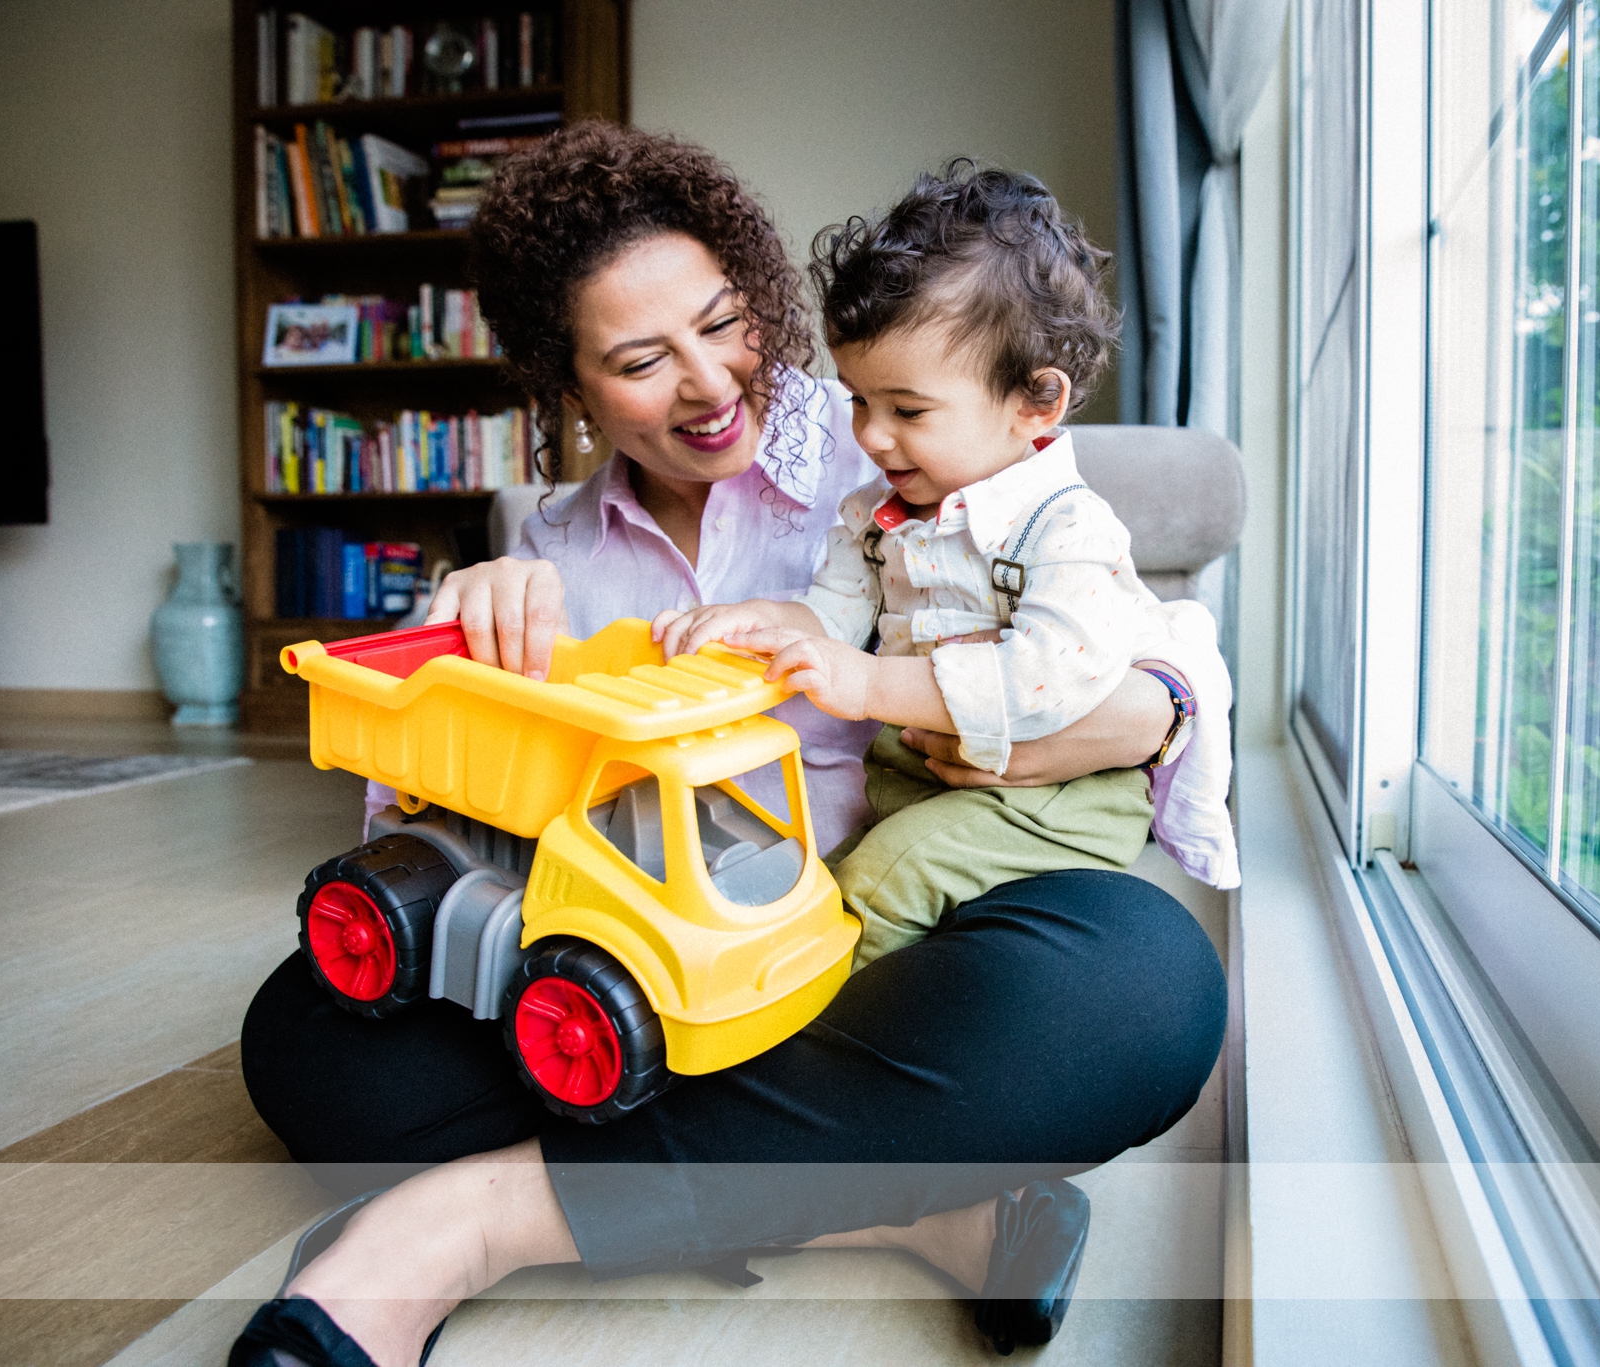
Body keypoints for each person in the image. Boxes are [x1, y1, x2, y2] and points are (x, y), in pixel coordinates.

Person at [232, 122, 1227, 1367]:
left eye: (723, 322)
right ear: (566, 379)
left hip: (879, 960)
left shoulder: (897, 435)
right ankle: (912, 1204)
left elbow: (1139, 625)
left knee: (1140, 990)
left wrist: (1157, 706)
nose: (706, 383)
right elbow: (421, 846)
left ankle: (463, 1225)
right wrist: (445, 666)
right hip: (643, 988)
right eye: (642, 359)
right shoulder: (544, 557)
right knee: (308, 1043)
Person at [657, 163, 1238, 968]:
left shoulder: (1066, 529)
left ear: (1035, 404)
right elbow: (832, 615)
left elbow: (1039, 682)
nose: (873, 435)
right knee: (826, 880)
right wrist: (766, 622)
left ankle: (805, 1030)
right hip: (926, 781)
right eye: (859, 400)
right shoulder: (876, 511)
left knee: (880, 882)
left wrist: (864, 686)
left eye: (908, 410)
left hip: (1053, 801)